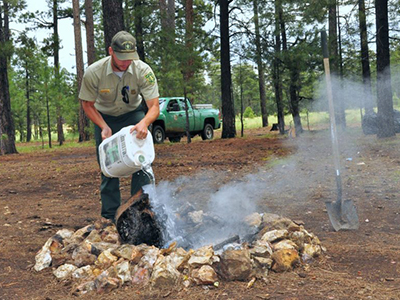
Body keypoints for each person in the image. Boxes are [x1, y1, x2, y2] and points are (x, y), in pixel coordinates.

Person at [79, 30, 160, 221]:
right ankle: (109, 218)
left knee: (142, 163)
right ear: (110, 51)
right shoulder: (94, 72)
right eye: (121, 57)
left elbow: (154, 106)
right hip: (105, 118)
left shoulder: (143, 71)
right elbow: (87, 104)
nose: (125, 63)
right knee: (108, 168)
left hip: (133, 115)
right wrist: (103, 126)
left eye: (129, 58)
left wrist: (144, 122)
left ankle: (139, 211)